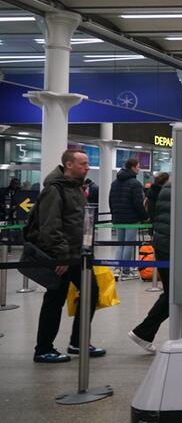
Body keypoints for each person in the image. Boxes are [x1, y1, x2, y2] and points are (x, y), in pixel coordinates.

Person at [31, 150, 106, 363]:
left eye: (87, 163)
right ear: (69, 165)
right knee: (54, 300)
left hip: (79, 256)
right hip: (63, 258)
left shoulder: (76, 188)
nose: (87, 166)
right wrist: (59, 257)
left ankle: (78, 341)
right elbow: (50, 226)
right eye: (83, 163)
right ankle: (43, 348)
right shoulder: (54, 189)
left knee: (91, 292)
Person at [128, 177, 182, 352]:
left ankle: (144, 333)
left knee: (173, 294)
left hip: (165, 245)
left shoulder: (167, 185)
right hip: (176, 247)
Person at [109, 157, 148, 280]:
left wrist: (114, 214)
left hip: (118, 217)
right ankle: (126, 270)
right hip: (131, 218)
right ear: (132, 167)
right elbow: (138, 203)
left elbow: (111, 200)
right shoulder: (135, 184)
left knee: (120, 244)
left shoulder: (114, 183)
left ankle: (117, 269)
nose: (139, 168)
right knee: (129, 244)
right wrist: (144, 216)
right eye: (138, 166)